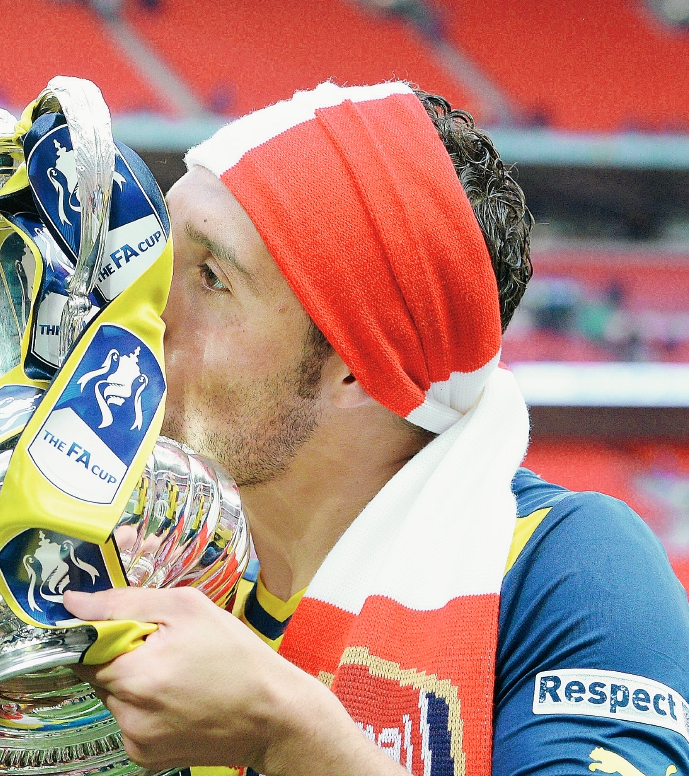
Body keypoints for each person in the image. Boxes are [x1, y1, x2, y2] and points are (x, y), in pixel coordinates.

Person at [65, 82, 689, 776]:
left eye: (210, 276)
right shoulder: (137, 554)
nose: (143, 304)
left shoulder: (571, 569)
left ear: (358, 369)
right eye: (159, 252)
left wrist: (288, 737)